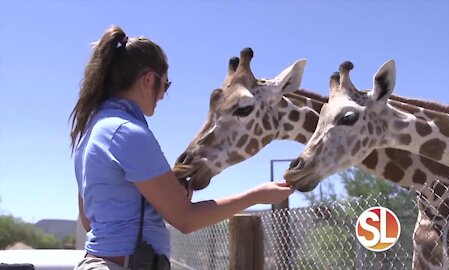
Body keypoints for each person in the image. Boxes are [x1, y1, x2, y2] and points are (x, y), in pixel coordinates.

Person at [70, 25, 294, 270]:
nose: (163, 95)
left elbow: (89, 220)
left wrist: (161, 199)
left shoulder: (90, 133)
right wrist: (258, 195)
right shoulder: (127, 132)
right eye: (165, 85)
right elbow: (186, 219)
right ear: (148, 79)